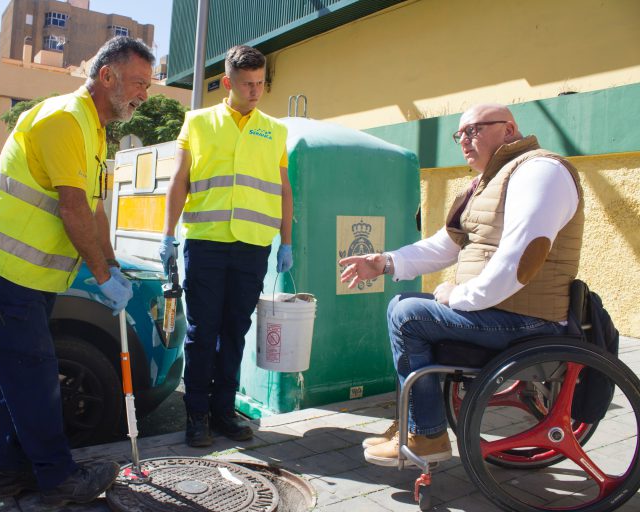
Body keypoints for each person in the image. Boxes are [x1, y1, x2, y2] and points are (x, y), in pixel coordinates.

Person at [0, 37, 153, 505]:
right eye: (137, 84)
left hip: (29, 273)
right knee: (35, 374)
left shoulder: (94, 129)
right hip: (8, 267)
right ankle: (58, 477)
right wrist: (102, 277)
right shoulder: (66, 119)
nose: (143, 95)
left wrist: (109, 262)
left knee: (15, 377)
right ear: (106, 76)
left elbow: (95, 209)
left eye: (147, 86)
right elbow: (72, 211)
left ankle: (9, 475)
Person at [340, 103, 584, 466]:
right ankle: (417, 424)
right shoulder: (486, 182)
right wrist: (385, 261)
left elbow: (522, 259)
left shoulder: (540, 171)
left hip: (530, 321)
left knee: (407, 315)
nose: (464, 141)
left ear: (509, 129)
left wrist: (461, 296)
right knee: (406, 305)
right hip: (501, 311)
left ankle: (426, 435)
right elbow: (446, 244)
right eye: (460, 135)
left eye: (474, 130)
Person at [160, 45, 293, 447]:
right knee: (203, 332)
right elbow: (179, 180)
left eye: (260, 83)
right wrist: (167, 235)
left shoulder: (275, 129)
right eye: (247, 84)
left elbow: (284, 189)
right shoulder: (198, 122)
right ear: (227, 82)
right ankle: (196, 415)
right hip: (206, 243)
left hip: (253, 247)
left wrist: (287, 241)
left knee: (235, 330)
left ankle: (223, 411)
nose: (255, 91)